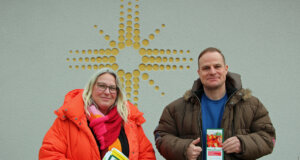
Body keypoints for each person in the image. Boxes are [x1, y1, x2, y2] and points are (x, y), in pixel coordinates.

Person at [154, 47, 276, 160]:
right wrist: (183, 149)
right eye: (206, 68)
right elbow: (161, 137)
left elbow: (269, 138)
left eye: (217, 66)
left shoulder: (252, 105)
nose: (212, 72)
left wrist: (243, 143)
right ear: (199, 72)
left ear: (226, 69)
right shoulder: (176, 109)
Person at [39, 68, 156, 160]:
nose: (107, 92)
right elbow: (49, 154)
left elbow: (147, 154)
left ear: (117, 92)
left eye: (112, 88)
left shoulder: (129, 120)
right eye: (101, 86)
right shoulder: (70, 118)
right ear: (91, 88)